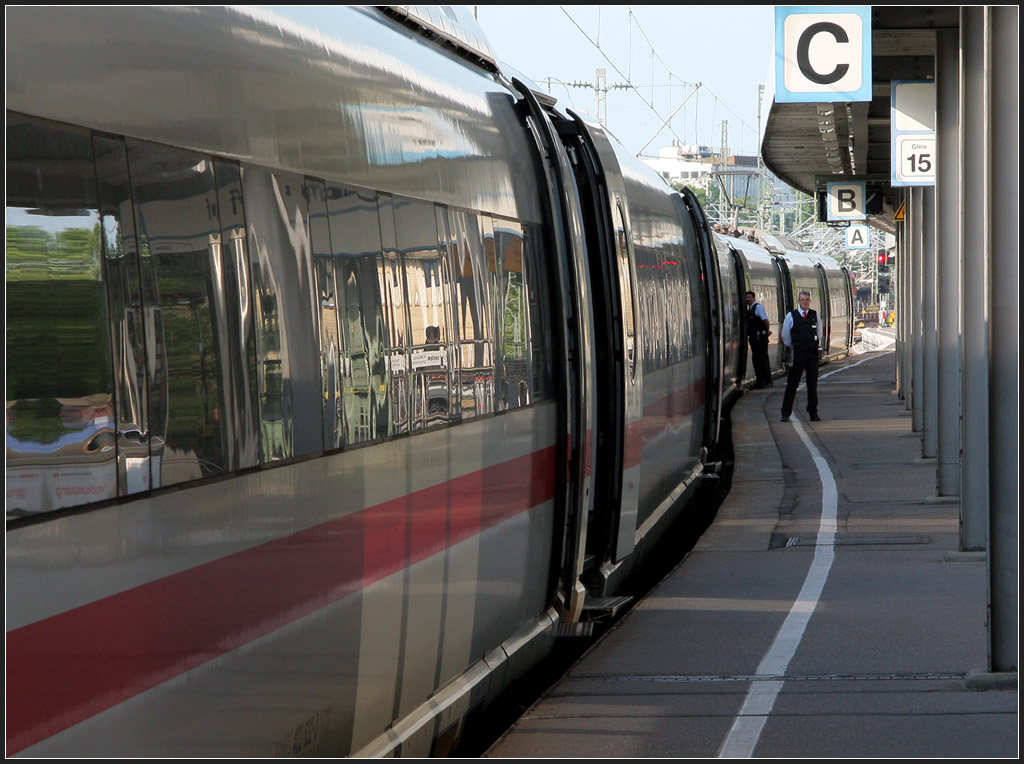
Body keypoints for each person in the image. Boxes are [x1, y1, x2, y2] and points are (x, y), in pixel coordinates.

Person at [780, 290, 821, 422]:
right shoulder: (791, 316)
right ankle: (786, 412)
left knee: (812, 384)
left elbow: (819, 332)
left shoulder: (815, 315)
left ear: (809, 301)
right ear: (799, 301)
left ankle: (813, 411)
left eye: (807, 300)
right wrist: (792, 347)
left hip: (811, 354)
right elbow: (785, 334)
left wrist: (814, 344)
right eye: (802, 300)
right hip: (798, 353)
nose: (805, 302)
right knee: (792, 383)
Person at [744, 290, 772, 388]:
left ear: (754, 298)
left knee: (762, 359)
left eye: (749, 297)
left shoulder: (758, 308)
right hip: (754, 338)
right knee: (757, 359)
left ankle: (765, 381)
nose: (747, 299)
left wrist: (766, 332)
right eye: (746, 298)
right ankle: (762, 380)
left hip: (760, 338)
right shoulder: (750, 309)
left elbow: (765, 320)